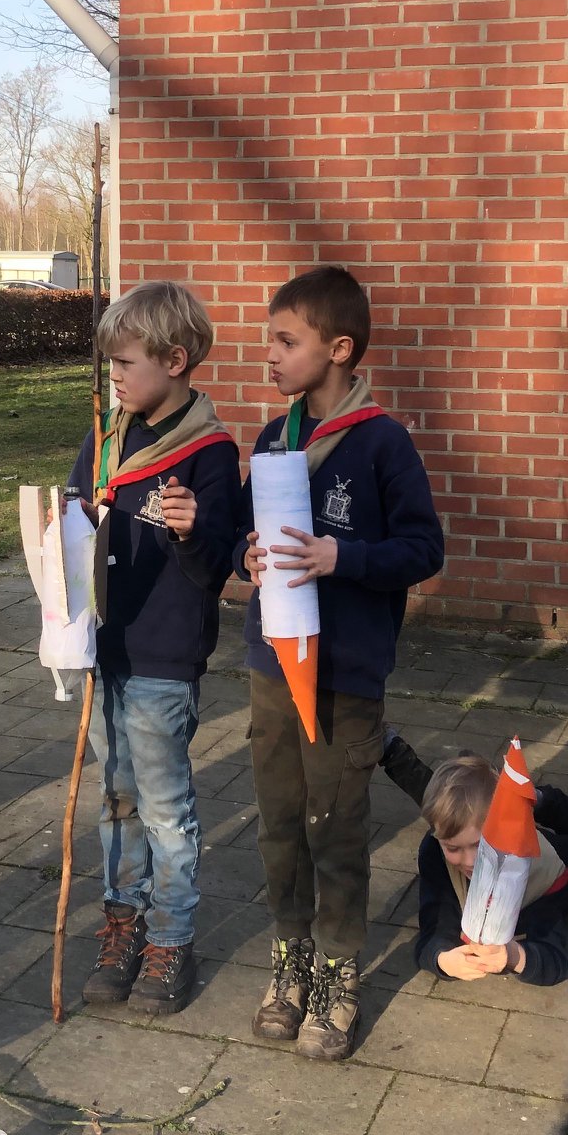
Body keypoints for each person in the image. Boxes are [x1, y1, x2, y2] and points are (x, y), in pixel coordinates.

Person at [238, 265, 445, 1061]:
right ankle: (289, 955)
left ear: (340, 349)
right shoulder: (271, 438)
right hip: (271, 661)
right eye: (270, 340)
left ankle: (337, 967)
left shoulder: (383, 443)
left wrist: (341, 556)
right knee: (281, 819)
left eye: (286, 342)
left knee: (335, 823)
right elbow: (240, 534)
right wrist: (246, 553)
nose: (270, 355)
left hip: (345, 672)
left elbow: (423, 549)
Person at [66, 281, 239, 1015]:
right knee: (116, 800)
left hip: (165, 657)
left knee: (165, 808)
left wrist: (195, 529)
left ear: (175, 360)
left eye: (125, 364)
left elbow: (215, 569)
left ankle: (172, 937)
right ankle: (122, 924)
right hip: (106, 648)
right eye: (109, 366)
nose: (115, 379)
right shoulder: (108, 437)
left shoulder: (210, 451)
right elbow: (76, 516)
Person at [414, 752, 568, 987]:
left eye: (480, 846)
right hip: (520, 841)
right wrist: (442, 960)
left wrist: (514, 955)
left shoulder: (541, 882)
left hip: (543, 865)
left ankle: (539, 800)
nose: (470, 861)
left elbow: (555, 962)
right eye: (454, 848)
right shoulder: (434, 849)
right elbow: (433, 927)